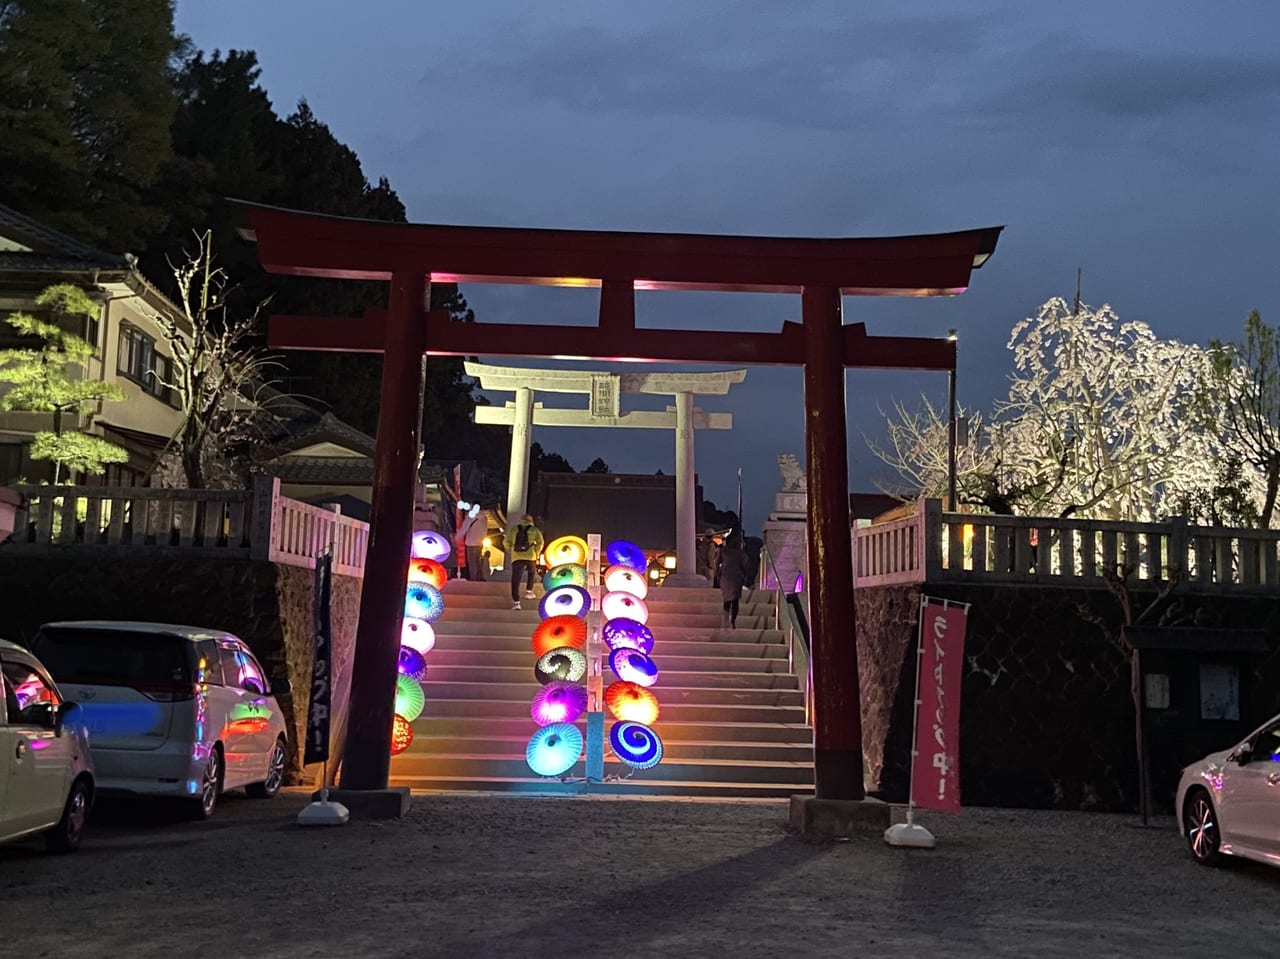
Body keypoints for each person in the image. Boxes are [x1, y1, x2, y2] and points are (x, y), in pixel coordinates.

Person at [506, 513, 544, 609]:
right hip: (530, 556)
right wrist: (536, 551)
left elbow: (506, 541)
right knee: (532, 572)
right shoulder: (534, 530)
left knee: (516, 579)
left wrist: (511, 550)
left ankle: (516, 602)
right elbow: (540, 542)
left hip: (517, 557)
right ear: (531, 521)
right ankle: (529, 591)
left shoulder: (514, 529)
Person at [714, 533, 749, 629]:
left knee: (727, 599)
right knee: (735, 601)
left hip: (725, 577)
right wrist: (744, 577)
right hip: (736, 577)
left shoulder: (723, 551)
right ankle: (732, 621)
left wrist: (716, 576)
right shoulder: (741, 553)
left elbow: (717, 564)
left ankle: (726, 620)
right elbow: (745, 565)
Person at [461, 505, 489, 582]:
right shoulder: (484, 517)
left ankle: (473, 578)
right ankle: (479, 577)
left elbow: (464, 528)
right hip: (480, 542)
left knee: (472, 561)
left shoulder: (471, 516)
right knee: (477, 560)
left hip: (470, 541)